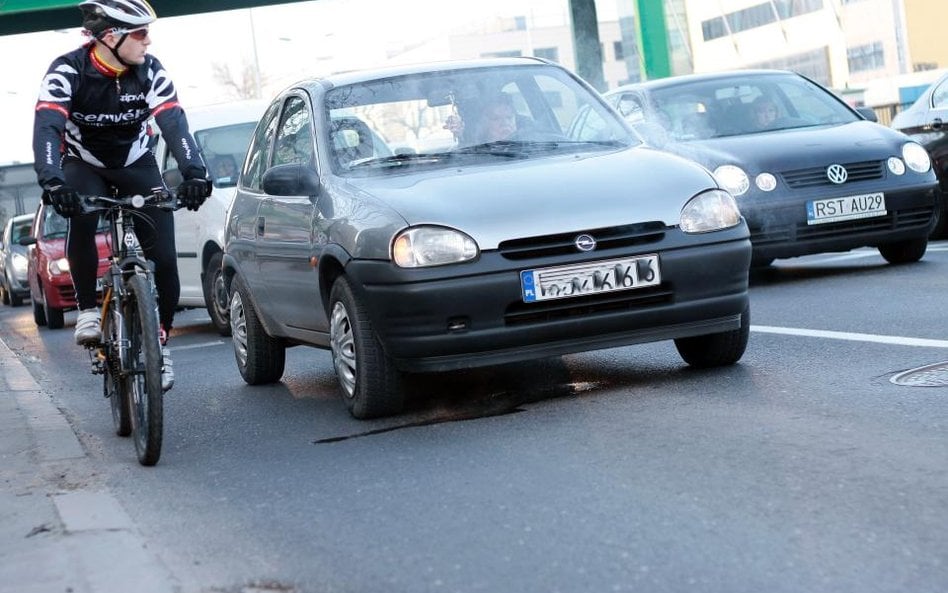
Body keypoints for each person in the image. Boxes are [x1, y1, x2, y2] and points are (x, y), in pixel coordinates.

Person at [32, 0, 212, 392]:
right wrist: (54, 182)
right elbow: (47, 127)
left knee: (163, 256)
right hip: (85, 163)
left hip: (135, 161)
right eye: (141, 33)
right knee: (80, 212)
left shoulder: (150, 70)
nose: (149, 41)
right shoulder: (67, 71)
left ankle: (160, 343)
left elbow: (173, 122)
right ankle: (86, 310)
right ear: (111, 37)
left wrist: (195, 173)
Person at [444, 93, 518, 145]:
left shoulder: (527, 144)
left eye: (509, 117)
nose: (505, 123)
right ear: (484, 123)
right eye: (496, 118)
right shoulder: (475, 152)